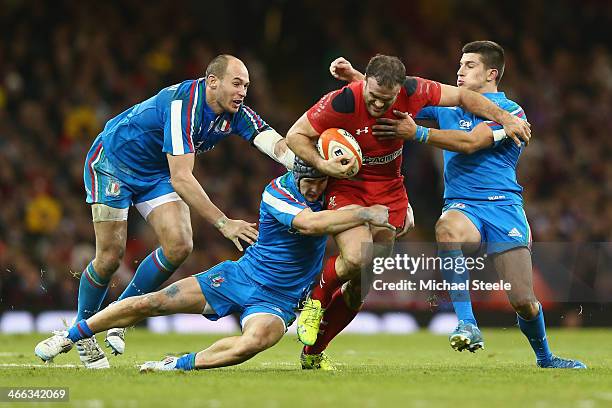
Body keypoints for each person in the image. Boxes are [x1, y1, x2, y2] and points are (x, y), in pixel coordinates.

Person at [333, 42, 585, 369]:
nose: (460, 70)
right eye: (460, 64)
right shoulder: (448, 108)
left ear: (491, 73)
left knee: (524, 302)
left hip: (503, 208)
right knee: (446, 228)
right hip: (463, 206)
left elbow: (471, 144)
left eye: (469, 65)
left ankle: (545, 358)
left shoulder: (511, 113)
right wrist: (355, 75)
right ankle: (467, 323)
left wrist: (418, 134)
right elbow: (400, 99)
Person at [286, 53, 532, 369]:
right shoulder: (344, 100)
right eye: (372, 97)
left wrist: (507, 117)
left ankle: (313, 352)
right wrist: (322, 164)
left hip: (388, 189)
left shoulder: (414, 91)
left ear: (399, 90)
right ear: (364, 87)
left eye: (385, 100)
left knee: (363, 281)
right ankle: (315, 302)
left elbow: (464, 98)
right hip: (349, 186)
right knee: (359, 257)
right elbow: (295, 134)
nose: (378, 106)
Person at [35, 158, 393, 372]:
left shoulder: (333, 198)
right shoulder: (277, 191)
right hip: (240, 275)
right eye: (309, 181)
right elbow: (310, 225)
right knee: (153, 302)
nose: (314, 189)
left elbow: (358, 233)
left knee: (253, 343)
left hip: (279, 301)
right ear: (296, 174)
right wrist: (364, 212)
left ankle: (177, 364)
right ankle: (70, 336)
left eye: (321, 182)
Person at [68, 54, 296, 368]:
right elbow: (182, 178)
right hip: (112, 163)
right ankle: (81, 332)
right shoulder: (182, 106)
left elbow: (275, 144)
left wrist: (309, 163)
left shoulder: (234, 113)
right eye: (236, 83)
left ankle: (120, 315)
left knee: (179, 245)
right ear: (212, 82)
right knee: (109, 258)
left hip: (155, 172)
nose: (243, 91)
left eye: (246, 85)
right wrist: (223, 222)